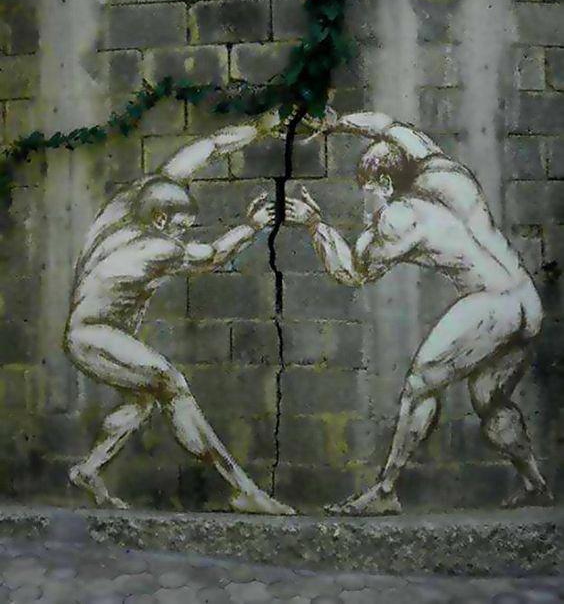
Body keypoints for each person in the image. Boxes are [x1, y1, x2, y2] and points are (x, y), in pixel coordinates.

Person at [286, 107, 552, 515]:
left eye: (367, 190)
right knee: (490, 399)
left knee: (420, 384)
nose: (365, 201)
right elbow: (388, 126)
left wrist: (315, 224)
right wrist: (336, 122)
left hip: (492, 304)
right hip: (525, 300)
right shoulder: (442, 168)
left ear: (384, 183)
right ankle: (535, 483)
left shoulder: (399, 218)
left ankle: (386, 490)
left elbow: (352, 272)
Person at [64, 109, 294, 515]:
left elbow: (207, 147)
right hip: (95, 333)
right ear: (160, 219)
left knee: (143, 400)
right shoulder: (159, 247)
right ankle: (240, 487)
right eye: (181, 226)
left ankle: (89, 469)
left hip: (88, 333)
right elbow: (213, 255)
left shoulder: (124, 207)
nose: (182, 233)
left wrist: (260, 127)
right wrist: (253, 225)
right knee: (173, 385)